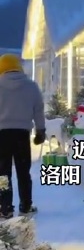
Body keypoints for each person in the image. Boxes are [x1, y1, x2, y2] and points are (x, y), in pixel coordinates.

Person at [0, 54, 46, 219]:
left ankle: (5, 208)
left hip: (2, 135)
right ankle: (26, 206)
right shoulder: (31, 86)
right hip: (22, 134)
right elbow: (38, 110)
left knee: (3, 173)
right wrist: (40, 130)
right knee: (23, 171)